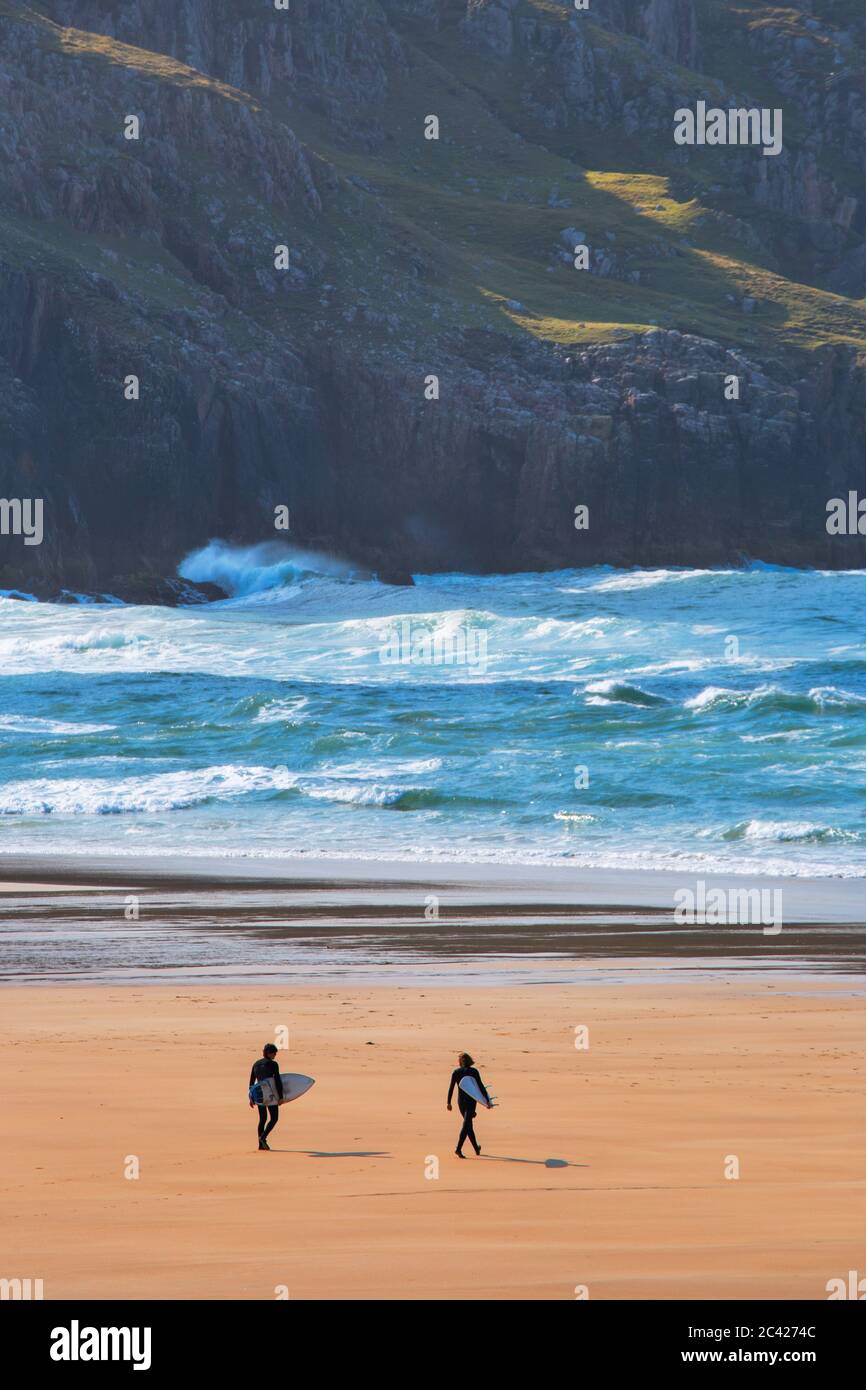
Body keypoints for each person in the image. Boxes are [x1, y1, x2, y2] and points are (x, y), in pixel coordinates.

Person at [447, 1052, 490, 1158]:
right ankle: (458, 1148)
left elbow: (451, 1088)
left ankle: (476, 1147)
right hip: (471, 1101)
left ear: (460, 1062)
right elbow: (480, 1086)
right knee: (467, 1124)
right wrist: (487, 1100)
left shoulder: (456, 1072)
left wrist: (449, 1102)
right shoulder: (474, 1072)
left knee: (468, 1124)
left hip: (461, 1102)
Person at [249, 1043, 284, 1151]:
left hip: (259, 1094)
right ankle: (263, 1138)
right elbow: (277, 1080)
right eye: (274, 1053)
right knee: (274, 1118)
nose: (275, 1055)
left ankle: (260, 1145)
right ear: (269, 1053)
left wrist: (251, 1097)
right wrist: (281, 1096)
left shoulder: (256, 1064)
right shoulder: (273, 1064)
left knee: (262, 1119)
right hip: (270, 1094)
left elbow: (251, 1083)